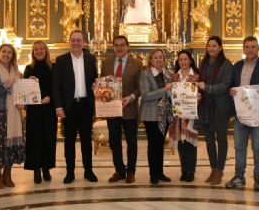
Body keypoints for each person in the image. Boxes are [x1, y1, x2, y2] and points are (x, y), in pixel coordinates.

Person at [225, 36, 259, 191]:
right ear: (243, 49)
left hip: (258, 114)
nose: (250, 49)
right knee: (239, 146)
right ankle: (239, 176)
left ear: (258, 48)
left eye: (253, 46)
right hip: (241, 115)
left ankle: (258, 178)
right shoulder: (237, 66)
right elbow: (232, 86)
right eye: (247, 46)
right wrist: (231, 91)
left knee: (258, 147)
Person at [53, 30, 98, 184]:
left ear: (84, 42)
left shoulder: (90, 59)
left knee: (86, 141)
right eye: (73, 40)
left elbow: (95, 81)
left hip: (85, 106)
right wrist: (58, 107)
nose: (76, 43)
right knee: (69, 142)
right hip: (69, 107)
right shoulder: (61, 60)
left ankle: (88, 171)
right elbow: (56, 87)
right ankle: (70, 172)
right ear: (69, 41)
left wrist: (97, 86)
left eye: (79, 40)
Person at [101, 35, 143, 184]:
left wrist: (131, 97)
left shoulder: (137, 64)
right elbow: (102, 84)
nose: (119, 48)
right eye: (116, 45)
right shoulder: (106, 63)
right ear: (113, 47)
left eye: (122, 45)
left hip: (129, 109)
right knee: (114, 141)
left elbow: (140, 87)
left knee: (131, 142)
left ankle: (131, 171)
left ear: (127, 47)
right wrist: (97, 88)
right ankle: (119, 170)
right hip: (111, 110)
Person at [0, 43, 25, 189]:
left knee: (11, 144)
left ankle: (7, 174)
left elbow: (21, 91)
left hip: (14, 112)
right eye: (4, 51)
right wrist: (5, 86)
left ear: (12, 55)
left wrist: (23, 103)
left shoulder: (17, 72)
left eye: (9, 52)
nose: (6, 54)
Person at [196, 36, 233, 185]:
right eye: (209, 46)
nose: (211, 48)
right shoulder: (203, 63)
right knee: (209, 140)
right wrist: (199, 92)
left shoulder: (226, 64)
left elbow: (225, 86)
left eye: (214, 46)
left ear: (220, 48)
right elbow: (201, 83)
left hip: (221, 107)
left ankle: (220, 170)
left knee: (221, 139)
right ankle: (213, 168)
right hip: (206, 107)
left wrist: (207, 88)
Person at [23, 41, 57, 184]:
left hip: (49, 109)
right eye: (36, 49)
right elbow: (24, 90)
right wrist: (27, 81)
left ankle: (46, 168)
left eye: (41, 49)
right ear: (33, 52)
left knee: (48, 139)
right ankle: (36, 170)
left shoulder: (53, 67)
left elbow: (57, 86)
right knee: (34, 140)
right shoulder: (28, 69)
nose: (39, 51)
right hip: (34, 110)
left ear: (46, 50)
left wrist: (50, 97)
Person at [139, 49, 173, 184]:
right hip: (151, 115)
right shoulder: (145, 74)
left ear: (164, 60)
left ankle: (160, 173)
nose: (159, 60)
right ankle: (153, 174)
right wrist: (164, 90)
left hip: (164, 115)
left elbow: (172, 93)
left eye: (161, 57)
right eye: (155, 58)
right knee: (153, 145)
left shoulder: (168, 74)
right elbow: (146, 95)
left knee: (160, 145)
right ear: (151, 60)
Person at [170, 50, 200, 182]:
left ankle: (191, 171)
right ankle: (184, 170)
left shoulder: (197, 76)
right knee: (181, 143)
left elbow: (201, 93)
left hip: (191, 115)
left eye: (185, 59)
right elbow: (171, 94)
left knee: (190, 143)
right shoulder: (174, 77)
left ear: (190, 60)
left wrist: (199, 97)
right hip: (178, 115)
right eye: (180, 59)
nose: (183, 62)